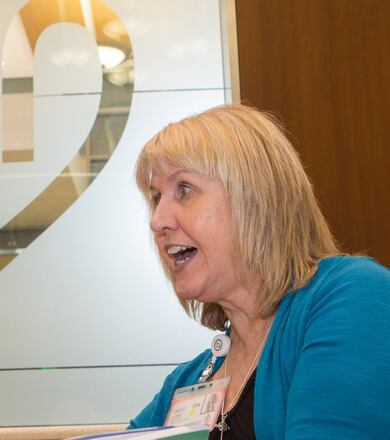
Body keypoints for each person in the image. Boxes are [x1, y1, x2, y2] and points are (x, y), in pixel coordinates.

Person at [128, 105, 390, 439]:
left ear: (254, 198)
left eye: (184, 189)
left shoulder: (353, 297)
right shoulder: (191, 379)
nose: (157, 220)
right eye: (155, 198)